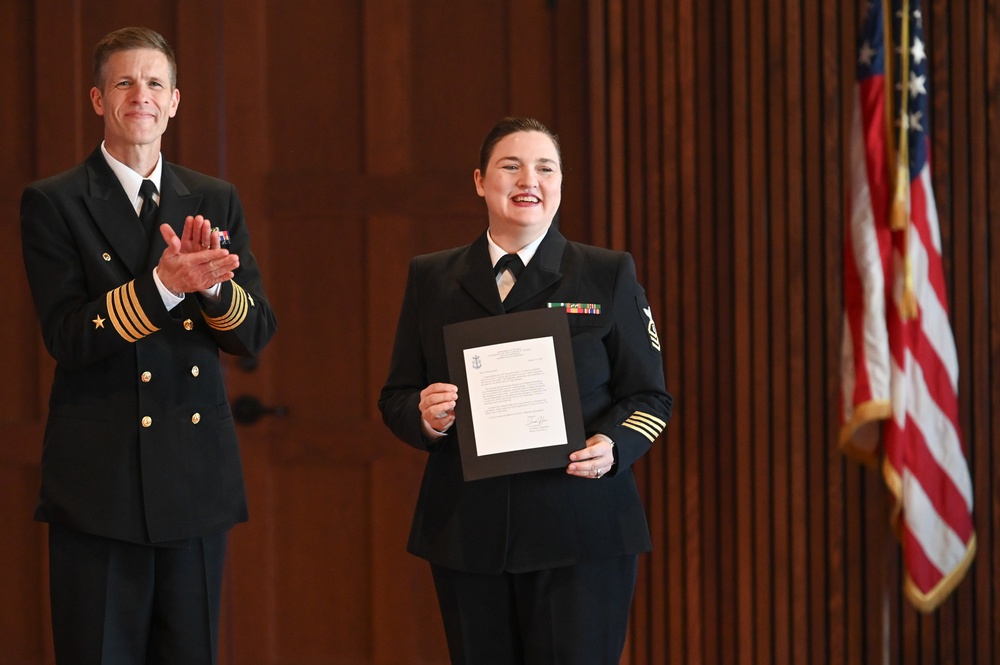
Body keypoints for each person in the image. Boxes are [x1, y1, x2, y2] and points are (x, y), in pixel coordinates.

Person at [19, 26, 276, 664]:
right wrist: (163, 284)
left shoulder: (214, 198)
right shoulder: (55, 203)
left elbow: (255, 333)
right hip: (99, 484)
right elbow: (69, 337)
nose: (142, 95)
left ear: (176, 101)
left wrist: (211, 290)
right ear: (98, 100)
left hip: (193, 479)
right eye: (125, 82)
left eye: (155, 83)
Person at [379, 117, 672, 664]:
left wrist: (613, 447)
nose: (527, 180)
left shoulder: (606, 273)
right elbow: (397, 394)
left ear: (560, 183)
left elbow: (650, 397)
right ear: (479, 181)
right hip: (470, 532)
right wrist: (424, 416)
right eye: (510, 166)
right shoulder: (433, 277)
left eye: (545, 168)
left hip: (580, 529)